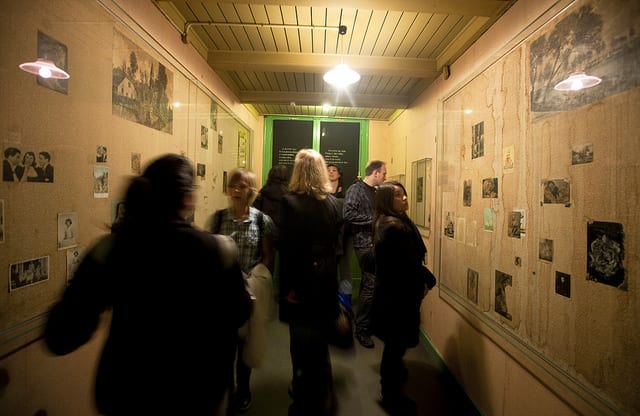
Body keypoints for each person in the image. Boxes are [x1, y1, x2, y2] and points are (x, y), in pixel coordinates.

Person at [44, 154, 252, 416]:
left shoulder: (111, 250)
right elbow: (240, 313)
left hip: (128, 393)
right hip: (196, 393)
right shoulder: (218, 250)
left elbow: (60, 336)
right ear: (187, 198)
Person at [279, 149, 343, 415]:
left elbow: (291, 249)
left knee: (300, 345)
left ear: (298, 170)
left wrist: (291, 288)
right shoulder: (331, 203)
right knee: (320, 342)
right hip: (326, 281)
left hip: (302, 284)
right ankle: (325, 391)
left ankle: (303, 397)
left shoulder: (290, 202)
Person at [208, 167, 275, 414]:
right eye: (233, 185)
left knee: (244, 344)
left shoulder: (262, 220)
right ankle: (225, 390)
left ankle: (243, 389)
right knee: (223, 347)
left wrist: (251, 278)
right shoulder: (217, 219)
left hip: (248, 293)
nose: (237, 190)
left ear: (252, 191)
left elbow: (267, 257)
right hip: (221, 295)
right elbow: (209, 255)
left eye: (243, 186)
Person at [370, 181, 436, 415]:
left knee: (395, 345)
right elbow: (407, 264)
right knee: (395, 347)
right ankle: (390, 395)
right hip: (396, 298)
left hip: (395, 295)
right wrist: (427, 279)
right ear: (388, 201)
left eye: (404, 193)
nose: (405, 198)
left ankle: (392, 385)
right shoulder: (393, 228)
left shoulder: (391, 222)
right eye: (398, 195)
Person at [343, 160, 387, 348]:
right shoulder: (356, 190)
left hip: (374, 243)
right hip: (363, 244)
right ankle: (361, 329)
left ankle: (363, 323)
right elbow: (348, 214)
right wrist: (373, 220)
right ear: (375, 173)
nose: (385, 176)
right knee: (370, 283)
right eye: (384, 173)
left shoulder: (376, 192)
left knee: (369, 283)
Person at [327, 163, 353, 315]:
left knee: (345, 269)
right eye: (328, 170)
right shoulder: (321, 191)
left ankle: (345, 304)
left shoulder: (346, 193)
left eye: (334, 170)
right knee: (329, 268)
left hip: (345, 235)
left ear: (339, 174)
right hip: (328, 236)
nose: (331, 172)